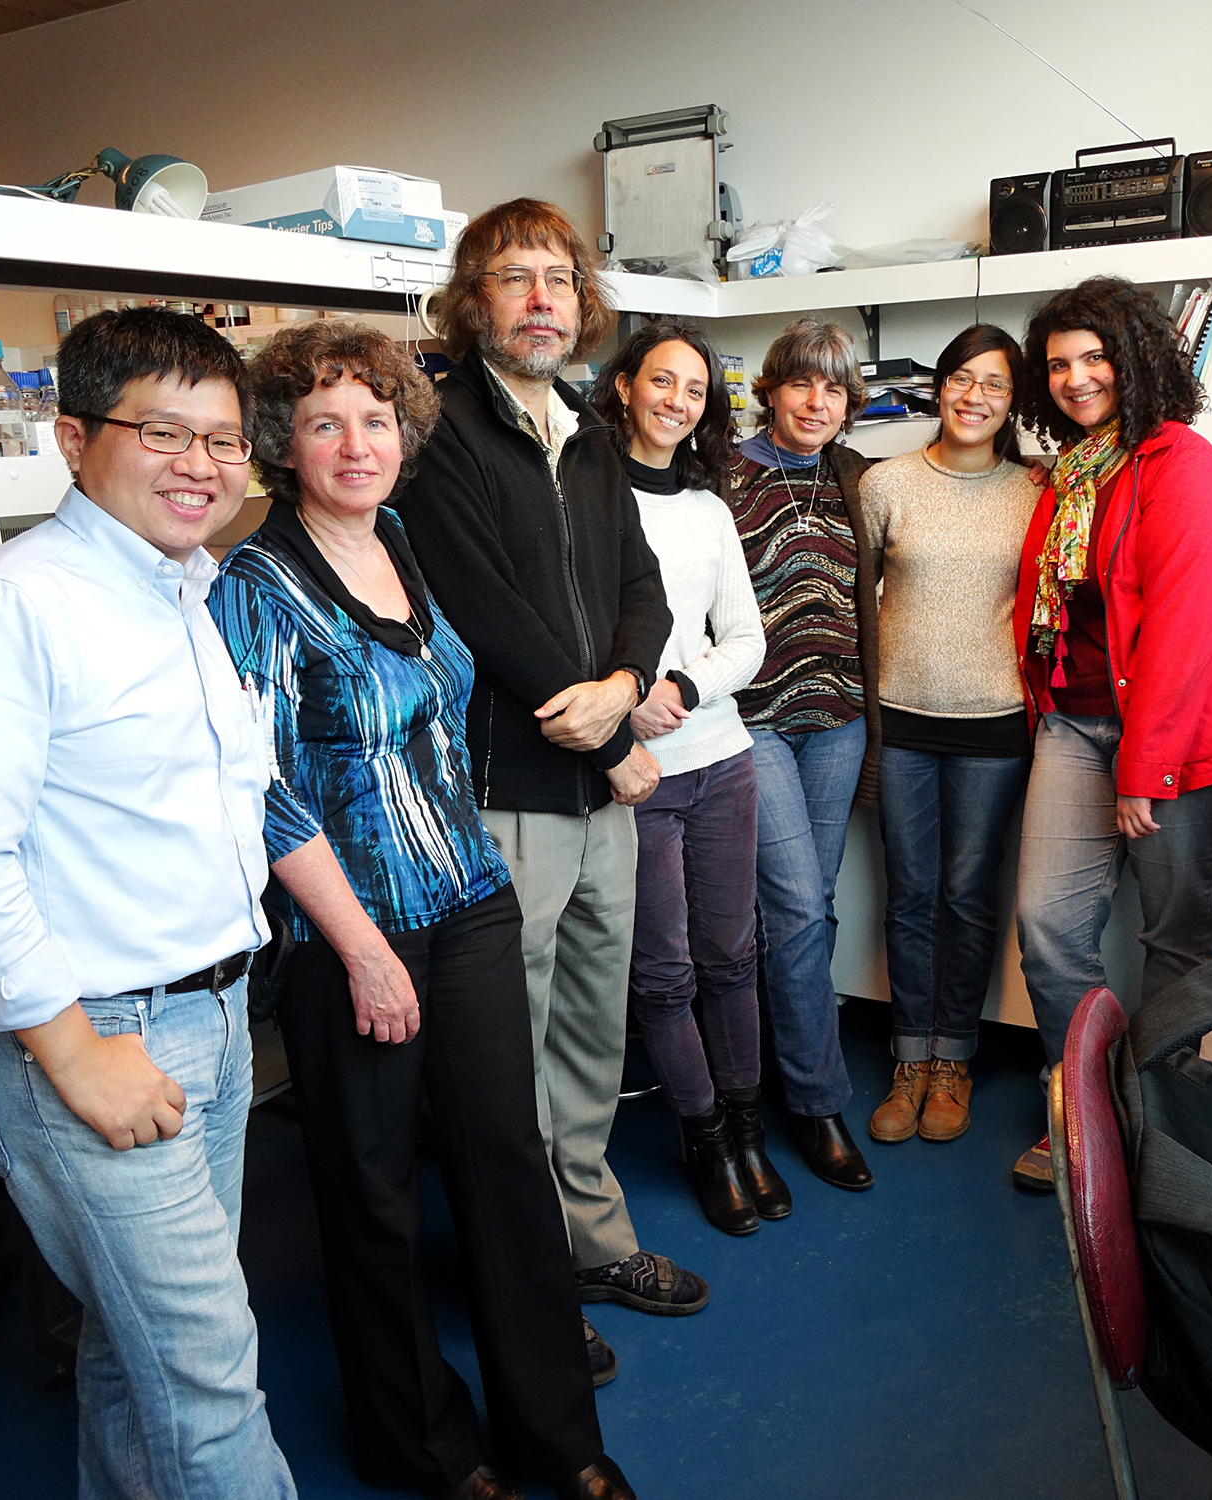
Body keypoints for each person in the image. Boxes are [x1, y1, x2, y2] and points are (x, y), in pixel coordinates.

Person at [208, 320, 631, 1500]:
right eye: (324, 423)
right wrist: (361, 951)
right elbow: (262, 789)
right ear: (281, 444)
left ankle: (556, 1435)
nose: (357, 445)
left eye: (376, 419)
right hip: (349, 928)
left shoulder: (399, 537)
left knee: (505, 1158)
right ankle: (421, 1445)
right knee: (374, 1187)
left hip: (469, 894)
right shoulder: (252, 586)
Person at [0, 308, 295, 1499]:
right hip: (94, 1037)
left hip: (209, 1017)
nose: (200, 466)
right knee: (208, 1382)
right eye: (161, 432)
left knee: (138, 1353)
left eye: (223, 441)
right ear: (73, 439)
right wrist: (73, 1051)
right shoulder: (9, 606)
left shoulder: (184, 590)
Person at [397, 200, 704, 1379]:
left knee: (586, 1030)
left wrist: (624, 687)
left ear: (583, 303)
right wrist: (609, 742)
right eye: (514, 277)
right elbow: (484, 610)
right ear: (473, 299)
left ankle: (589, 1242)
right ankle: (522, 1281)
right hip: (507, 791)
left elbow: (641, 586)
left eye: (558, 279)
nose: (540, 298)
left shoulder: (585, 429)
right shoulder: (440, 430)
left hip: (595, 796)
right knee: (504, 1056)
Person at [1007, 276, 1212, 1189]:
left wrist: (1144, 767)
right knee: (1048, 927)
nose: (1076, 378)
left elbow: (1182, 623)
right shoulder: (1073, 472)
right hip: (1074, 725)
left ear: (1136, 361)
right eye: (1058, 365)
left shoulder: (1180, 461)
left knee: (1177, 941)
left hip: (1181, 735)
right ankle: (1085, 1111)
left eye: (1095, 358)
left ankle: (1160, 1124)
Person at [589, 319, 786, 1237]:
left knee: (733, 957)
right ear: (626, 385)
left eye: (696, 390)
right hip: (635, 771)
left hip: (721, 761)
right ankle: (704, 1137)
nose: (677, 401)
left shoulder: (708, 507)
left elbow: (747, 638)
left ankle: (747, 1128)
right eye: (662, 381)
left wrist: (682, 686)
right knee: (663, 973)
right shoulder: (582, 494)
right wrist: (628, 704)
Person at [859, 325, 1040, 1148]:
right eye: (962, 378)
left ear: (1014, 400)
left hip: (994, 723)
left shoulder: (1034, 491)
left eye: (995, 383)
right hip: (900, 719)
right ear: (939, 388)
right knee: (909, 893)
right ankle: (909, 1057)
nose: (975, 396)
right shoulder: (886, 482)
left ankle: (953, 1058)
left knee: (968, 895)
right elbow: (858, 602)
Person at [725, 316, 881, 1192]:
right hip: (754, 719)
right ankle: (818, 1102)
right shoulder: (722, 475)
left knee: (810, 904)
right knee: (792, 904)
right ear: (772, 390)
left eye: (833, 388)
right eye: (800, 383)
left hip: (839, 717)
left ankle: (779, 1068)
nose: (816, 402)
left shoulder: (856, 475)